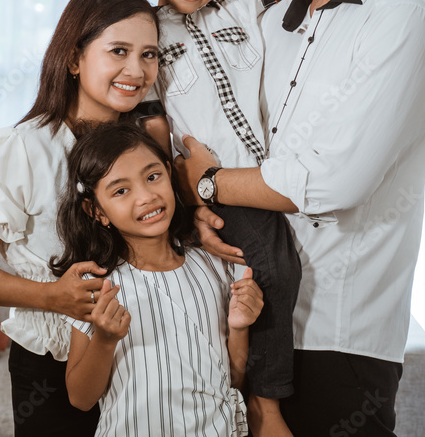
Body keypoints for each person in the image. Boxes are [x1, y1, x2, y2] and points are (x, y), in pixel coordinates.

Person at [175, 0, 425, 436]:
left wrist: (209, 184)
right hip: (242, 309)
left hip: (338, 332)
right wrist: (192, 201)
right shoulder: (271, 20)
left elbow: (328, 181)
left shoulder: (402, 22)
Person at [137, 0, 402, 437]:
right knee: (278, 270)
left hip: (262, 174)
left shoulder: (237, 7)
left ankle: (239, 389)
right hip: (215, 186)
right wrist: (186, 201)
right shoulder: (148, 39)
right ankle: (266, 403)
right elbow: (149, 132)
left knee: (264, 274)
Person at [0, 0, 160, 437]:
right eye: (118, 51)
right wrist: (52, 298)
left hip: (147, 352)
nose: (136, 70)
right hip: (53, 366)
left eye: (150, 54)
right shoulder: (22, 149)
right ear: (75, 59)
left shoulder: (151, 144)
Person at [50, 122, 265, 437]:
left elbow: (232, 379)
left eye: (153, 177)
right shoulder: (95, 284)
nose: (147, 196)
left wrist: (239, 327)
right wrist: (105, 340)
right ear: (96, 211)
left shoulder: (214, 266)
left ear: (169, 173)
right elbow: (80, 398)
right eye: (121, 190)